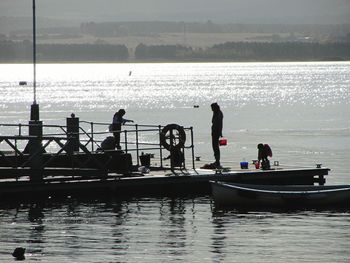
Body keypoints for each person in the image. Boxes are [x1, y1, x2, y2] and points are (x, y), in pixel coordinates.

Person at [211, 102, 223, 168]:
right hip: (215, 131)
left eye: (212, 108)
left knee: (215, 146)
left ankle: (217, 161)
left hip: (216, 132)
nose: (211, 109)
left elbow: (219, 124)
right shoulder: (216, 113)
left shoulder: (218, 114)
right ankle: (217, 160)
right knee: (215, 146)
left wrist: (220, 132)